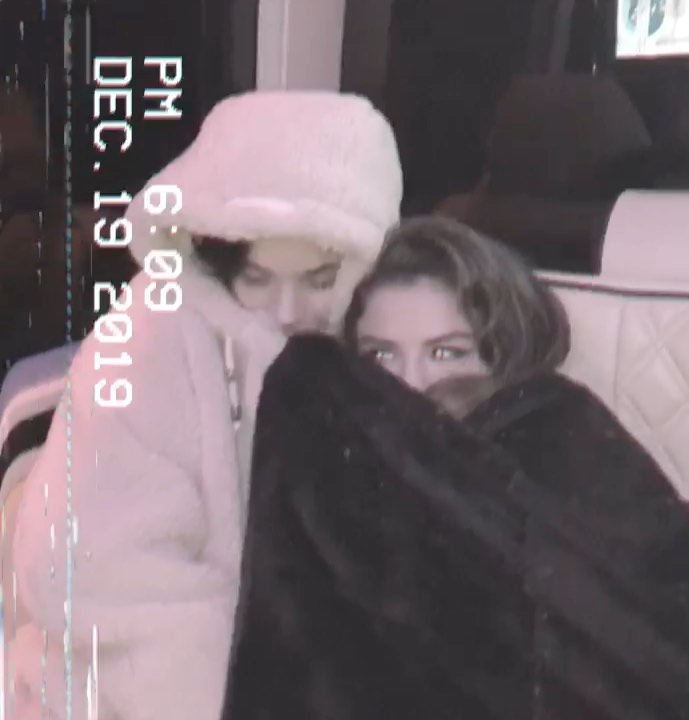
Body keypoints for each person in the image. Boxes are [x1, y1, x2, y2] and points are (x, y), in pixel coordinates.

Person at [221, 216, 689, 720]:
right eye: (380, 357)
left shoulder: (558, 428)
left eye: (446, 353)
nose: (411, 383)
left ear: (501, 355)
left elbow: (657, 608)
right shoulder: (342, 471)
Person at [9, 90, 402, 720]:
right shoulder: (150, 341)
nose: (287, 311)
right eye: (257, 277)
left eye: (320, 279)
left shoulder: (385, 348)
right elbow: (95, 574)